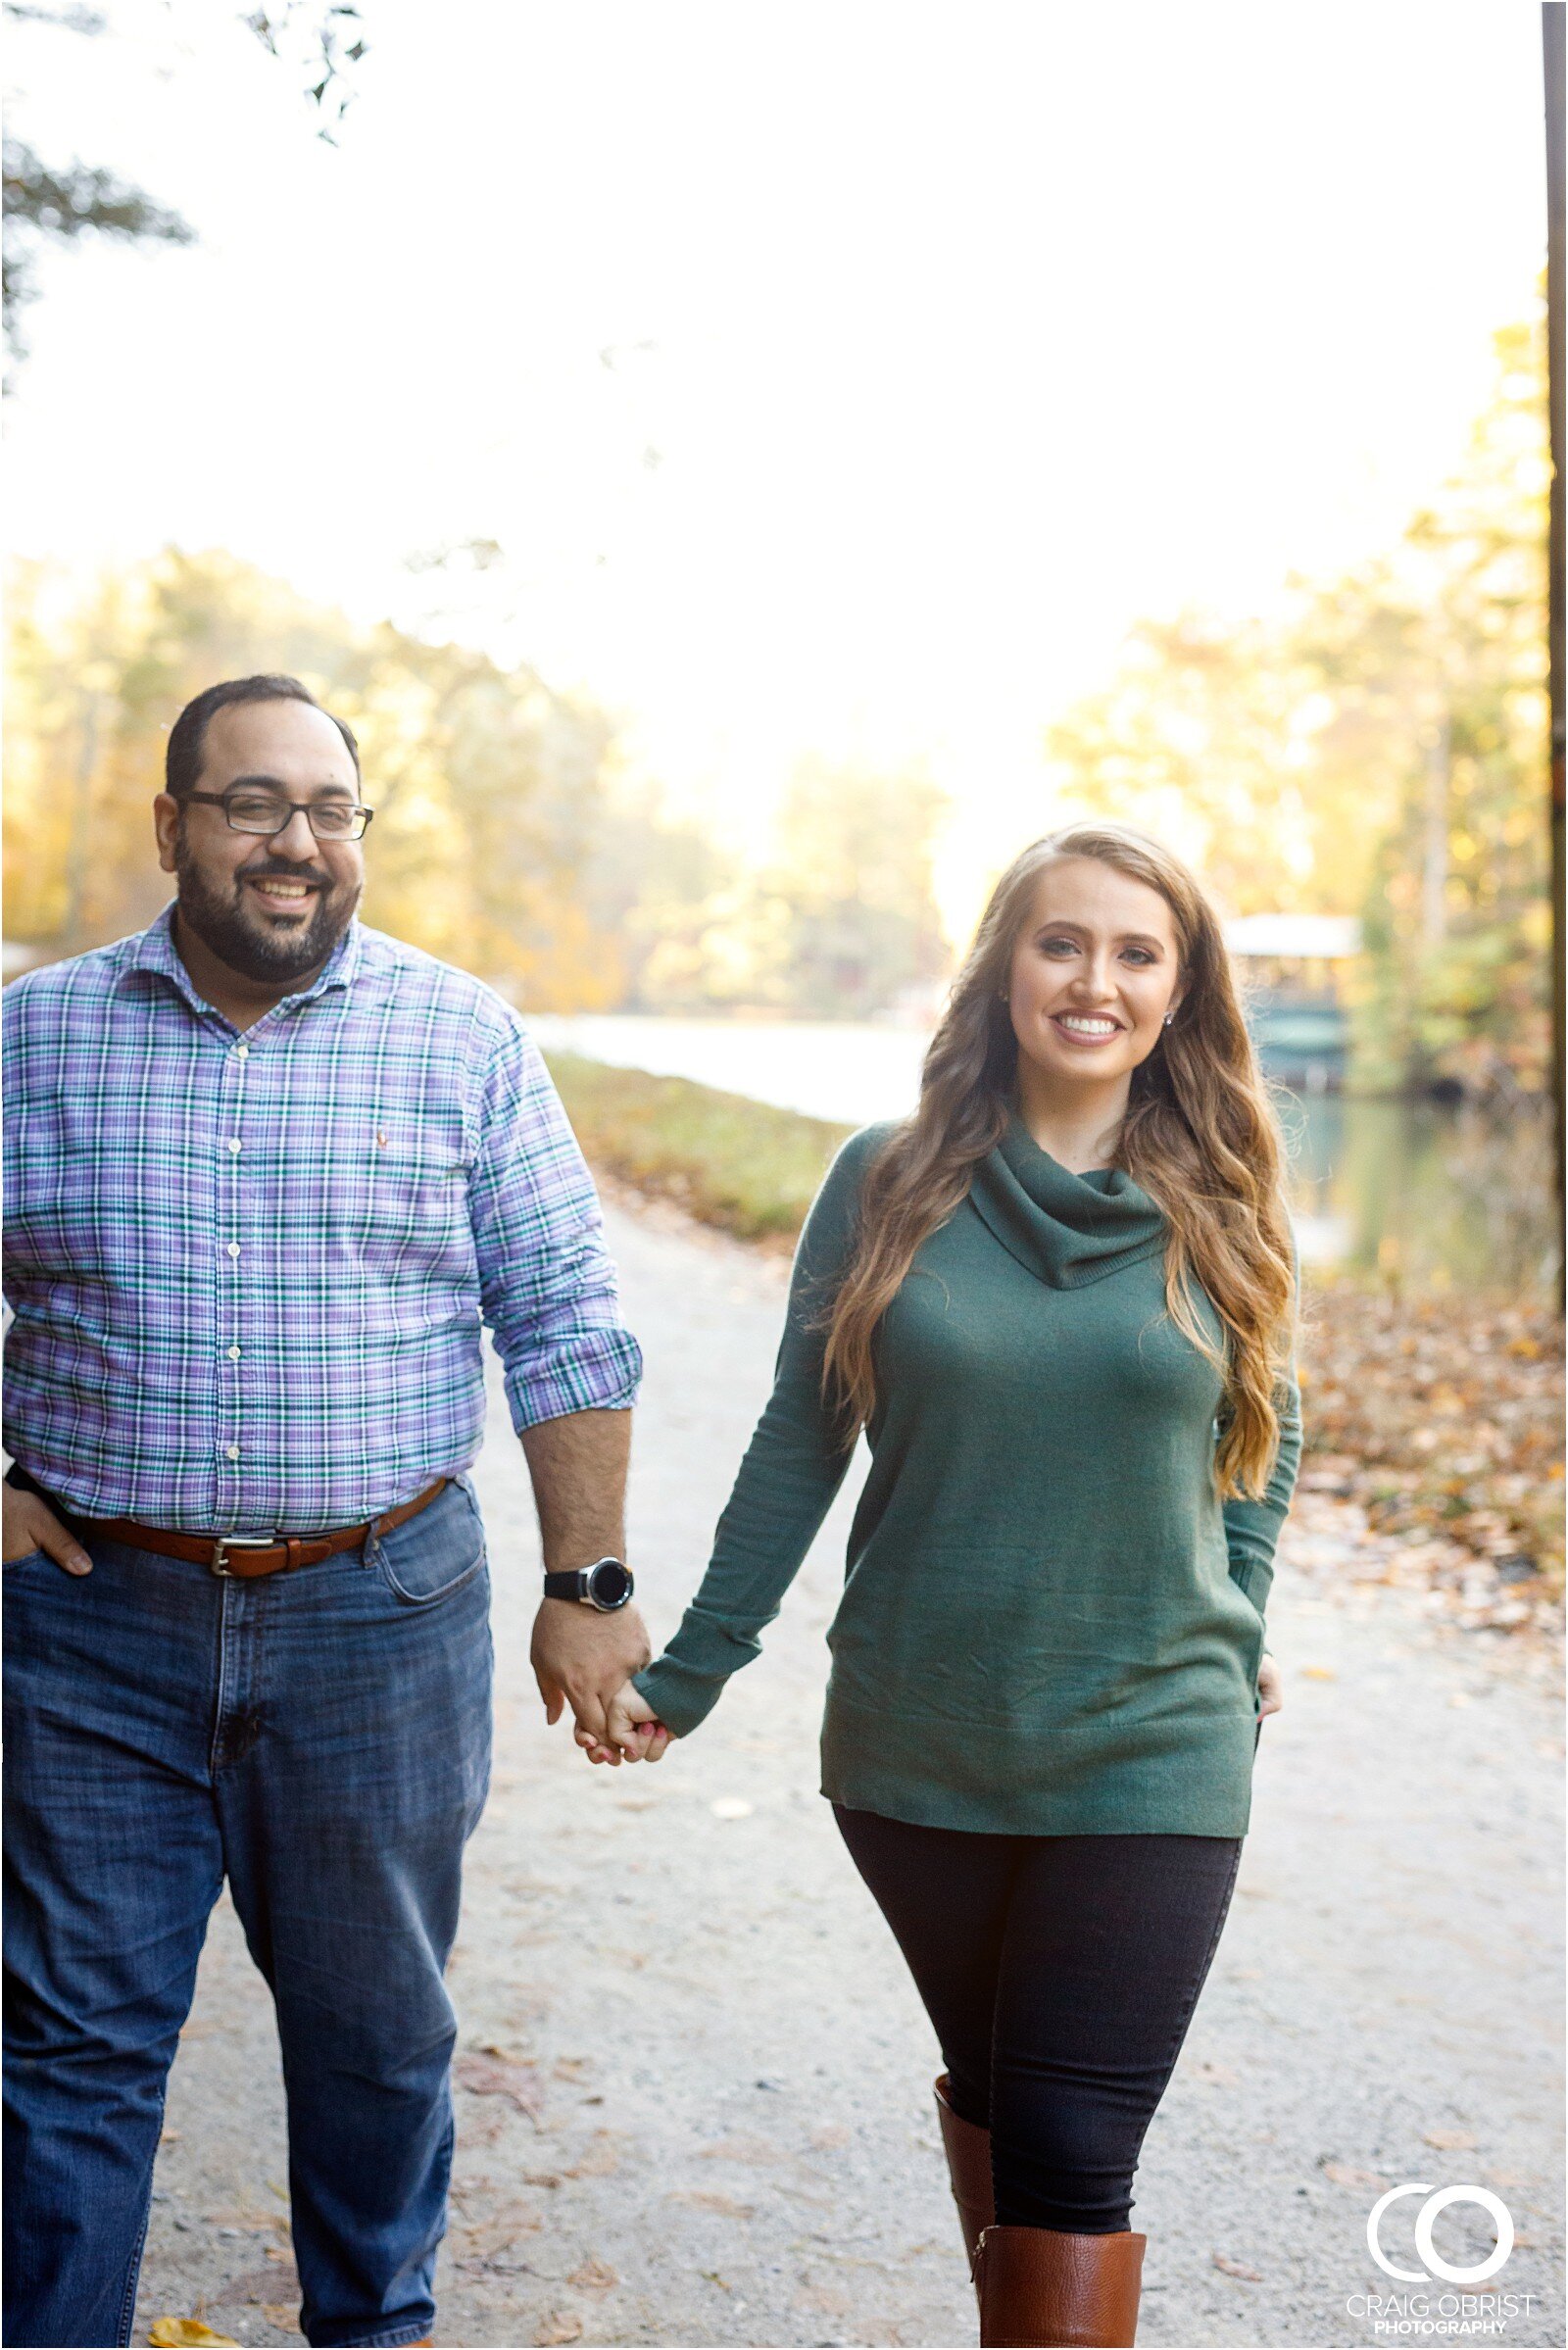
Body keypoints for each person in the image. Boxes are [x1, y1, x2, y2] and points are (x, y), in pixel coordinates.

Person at [2, 675, 650, 2350]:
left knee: (375, 2042)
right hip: (89, 1629)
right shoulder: (34, 1036)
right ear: (172, 827)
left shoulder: (462, 1037)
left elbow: (566, 1311)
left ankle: (373, 2331)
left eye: (331, 809)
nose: (297, 843)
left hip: (379, 1619)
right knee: (68, 2053)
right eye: (252, 805)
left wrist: (588, 1576)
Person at [595, 822, 1300, 2350]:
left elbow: (1270, 1418)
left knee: (1067, 2144)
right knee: (997, 2088)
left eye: (1136, 952)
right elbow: (802, 1438)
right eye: (1062, 942)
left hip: (1154, 1739)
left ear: (1178, 994)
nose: (1094, 980)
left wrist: (1240, 1620)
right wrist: (692, 1673)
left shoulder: (1226, 1188)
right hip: (921, 1740)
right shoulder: (890, 1179)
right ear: (1003, 966)